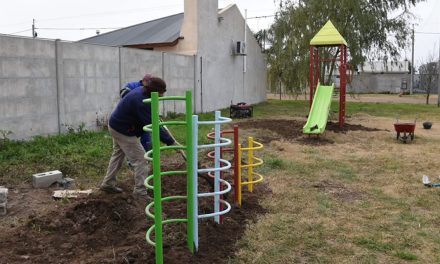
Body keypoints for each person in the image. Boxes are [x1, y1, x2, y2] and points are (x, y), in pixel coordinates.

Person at [100, 77, 176, 198]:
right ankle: (140, 192)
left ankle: (108, 183)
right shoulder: (142, 102)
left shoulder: (142, 91)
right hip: (123, 130)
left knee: (118, 155)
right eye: (161, 92)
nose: (162, 95)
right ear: (154, 91)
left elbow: (151, 118)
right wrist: (170, 141)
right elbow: (153, 126)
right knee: (141, 160)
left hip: (116, 125)